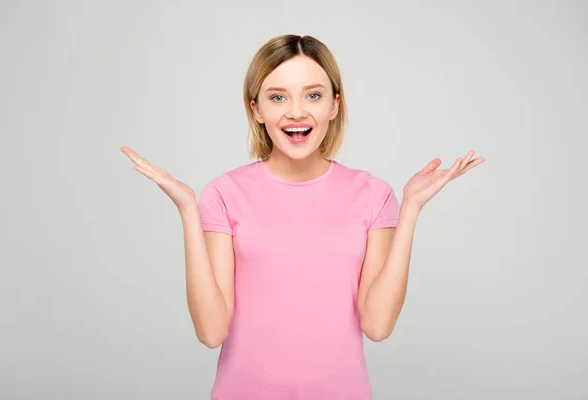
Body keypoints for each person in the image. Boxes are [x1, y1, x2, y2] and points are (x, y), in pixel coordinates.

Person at [120, 34, 484, 400]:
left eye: (313, 95)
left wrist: (411, 209)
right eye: (278, 97)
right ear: (256, 109)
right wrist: (187, 210)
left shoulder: (373, 195)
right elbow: (211, 332)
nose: (296, 112)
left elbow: (377, 325)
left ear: (334, 105)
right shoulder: (223, 195)